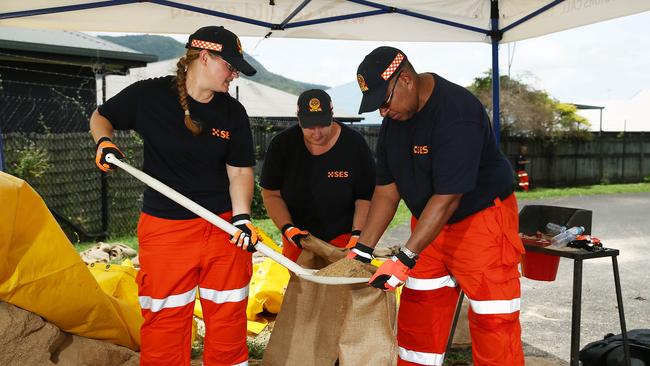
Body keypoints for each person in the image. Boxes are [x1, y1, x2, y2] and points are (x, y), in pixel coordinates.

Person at [90, 25, 259, 366]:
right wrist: (103, 141)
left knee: (228, 316)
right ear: (206, 57)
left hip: (223, 229)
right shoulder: (149, 96)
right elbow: (101, 116)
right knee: (165, 321)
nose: (234, 74)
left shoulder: (233, 113)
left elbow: (240, 170)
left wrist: (242, 216)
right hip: (165, 230)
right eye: (230, 66)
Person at [347, 46, 525, 366]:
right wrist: (363, 248)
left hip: (481, 221)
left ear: (405, 80)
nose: (382, 113)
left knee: (493, 319)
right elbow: (387, 190)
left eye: (384, 102)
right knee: (420, 314)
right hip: (429, 222)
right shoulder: (395, 120)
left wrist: (404, 258)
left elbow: (449, 197)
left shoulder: (457, 113)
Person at [260, 89, 384, 365]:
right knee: (304, 303)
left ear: (332, 115)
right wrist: (287, 228)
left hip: (342, 238)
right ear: (298, 119)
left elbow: (365, 197)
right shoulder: (283, 144)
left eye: (322, 124)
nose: (316, 132)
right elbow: (271, 193)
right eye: (308, 126)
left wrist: (356, 237)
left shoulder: (354, 144)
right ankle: (304, 355)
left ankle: (339, 358)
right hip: (299, 239)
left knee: (340, 305)